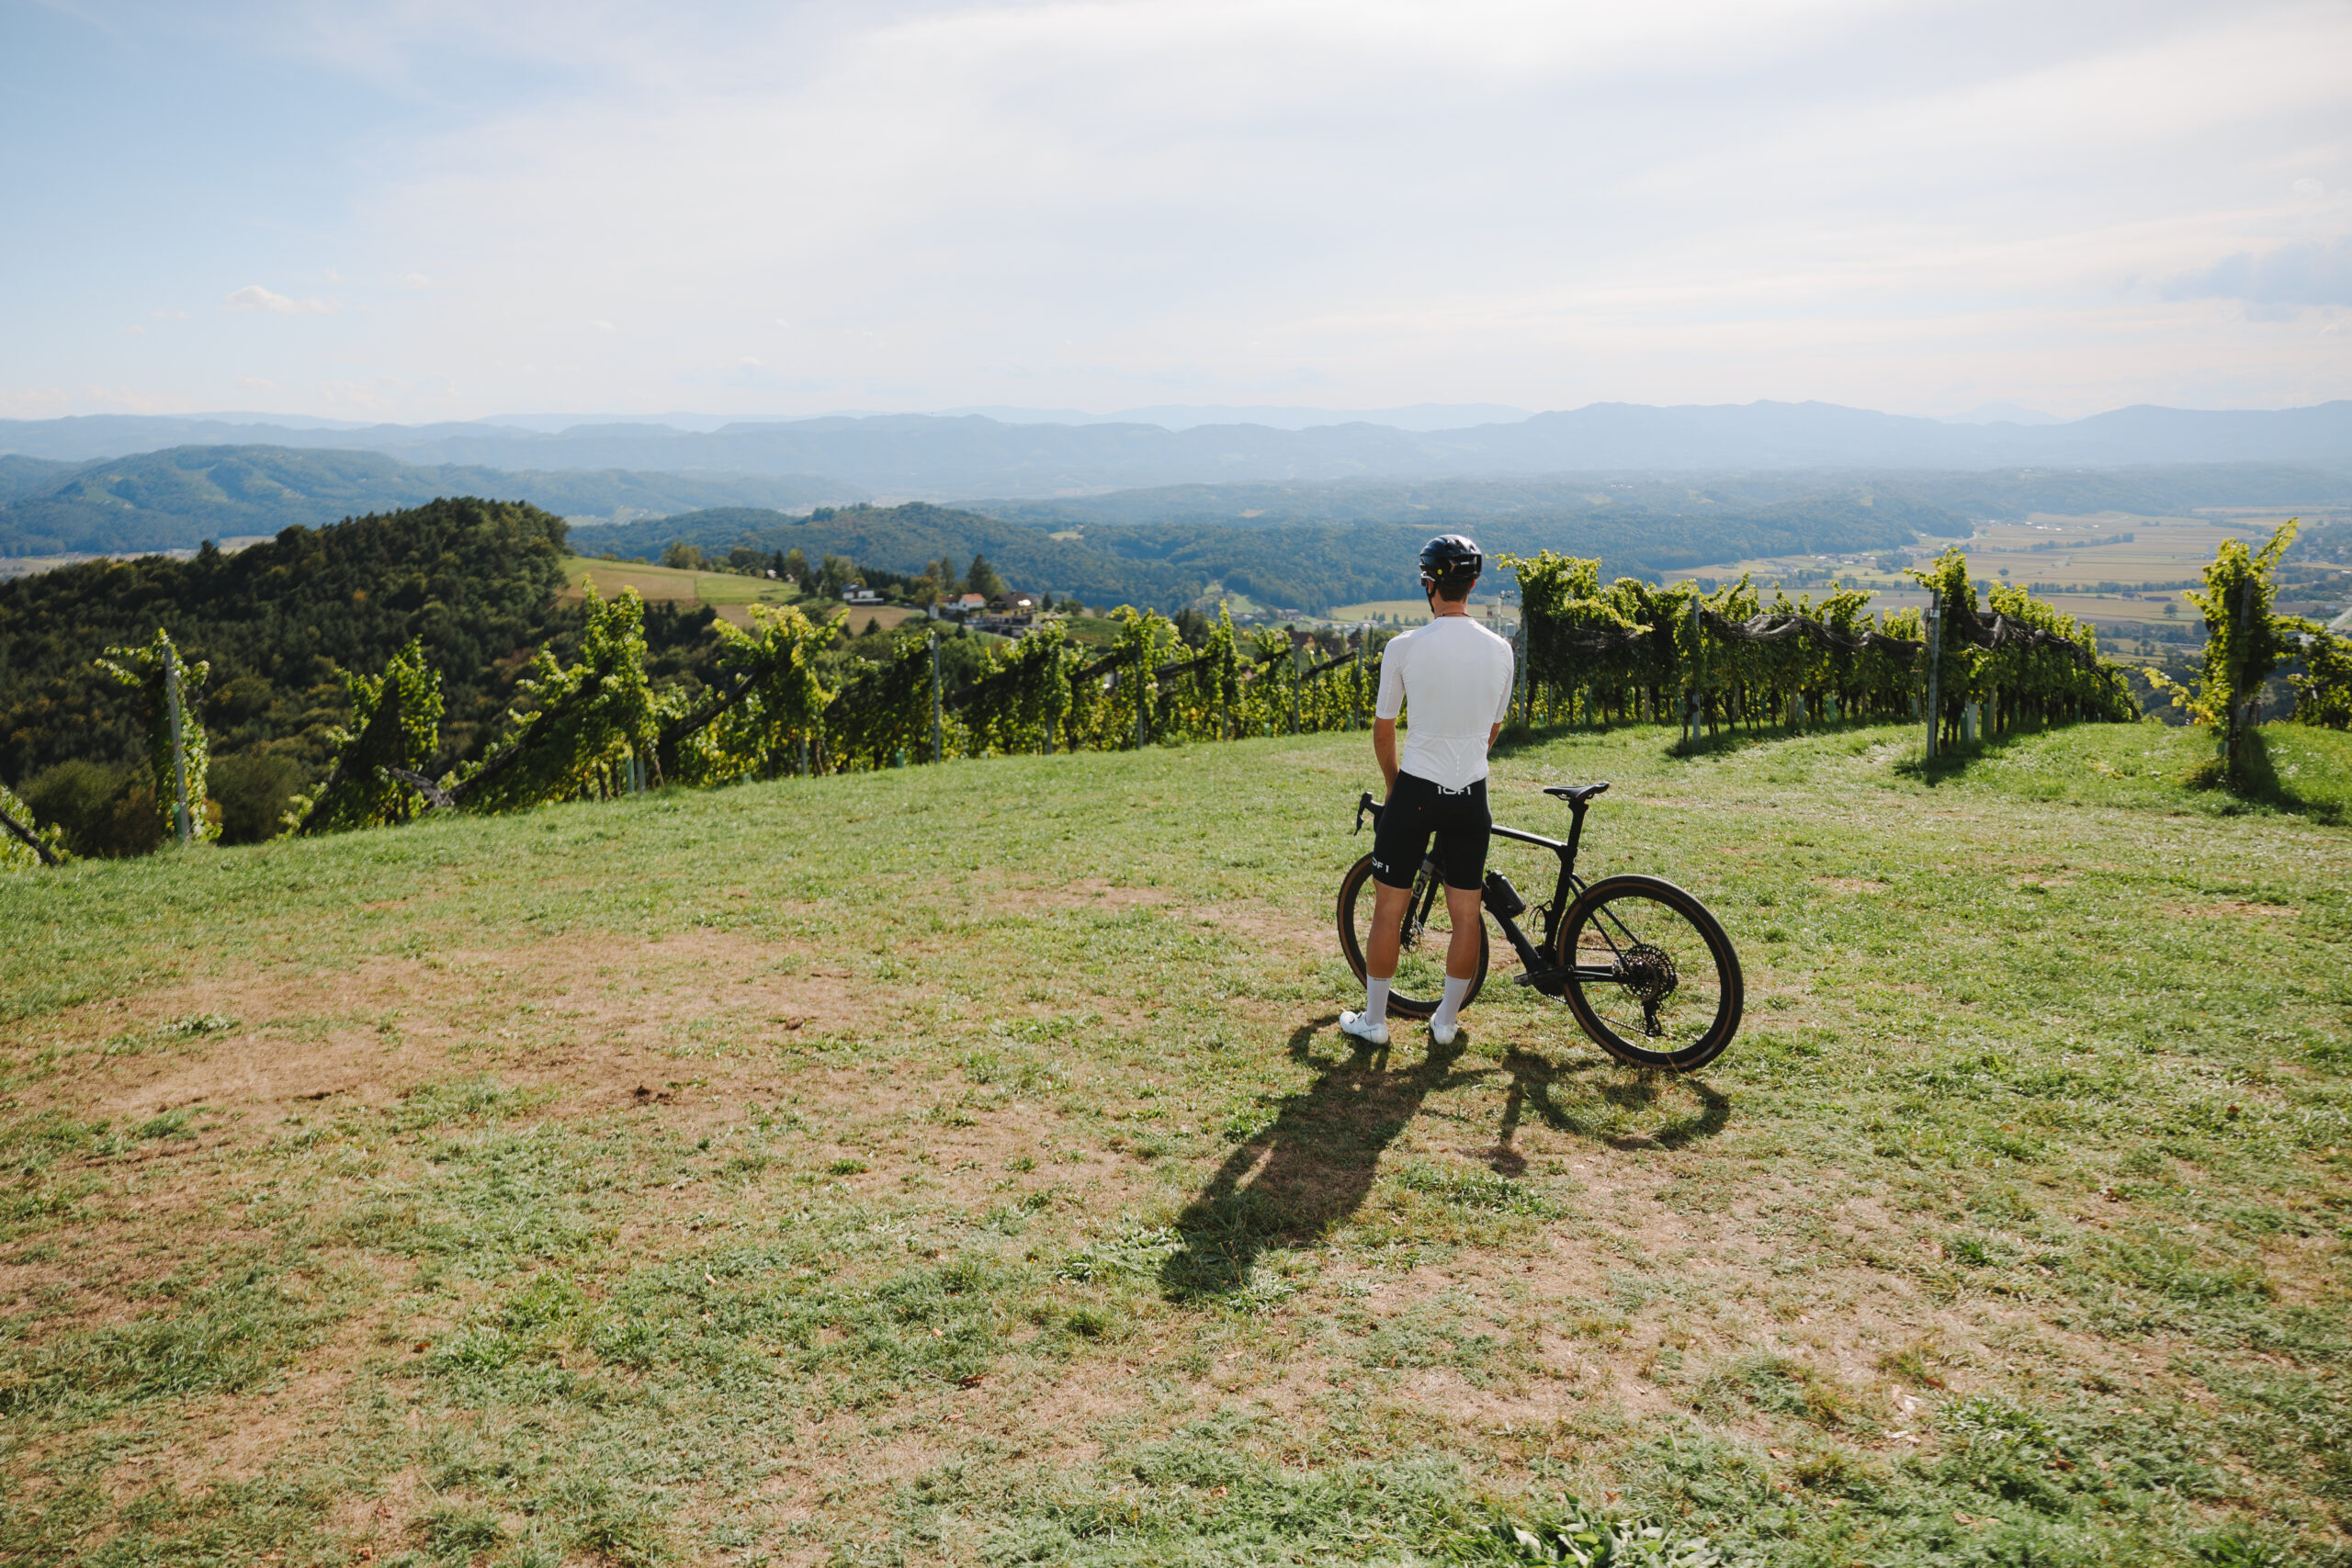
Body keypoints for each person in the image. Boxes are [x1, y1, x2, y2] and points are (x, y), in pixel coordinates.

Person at [1340, 535, 1516, 1049]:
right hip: (1472, 793)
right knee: (1466, 913)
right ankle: (1445, 1021)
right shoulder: (1502, 649)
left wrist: (1395, 787)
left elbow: (1384, 728)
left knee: (1389, 910)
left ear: (1428, 584)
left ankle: (1375, 1021)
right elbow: (1494, 729)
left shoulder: (1403, 647)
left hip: (1416, 787)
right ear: (1474, 585)